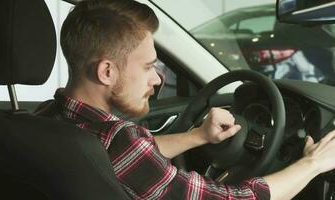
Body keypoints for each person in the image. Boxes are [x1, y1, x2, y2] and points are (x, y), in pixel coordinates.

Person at [35, 0, 335, 199]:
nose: (157, 79)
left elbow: (121, 159)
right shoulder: (119, 139)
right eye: (149, 66)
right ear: (107, 71)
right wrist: (312, 164)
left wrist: (197, 136)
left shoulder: (45, 118)